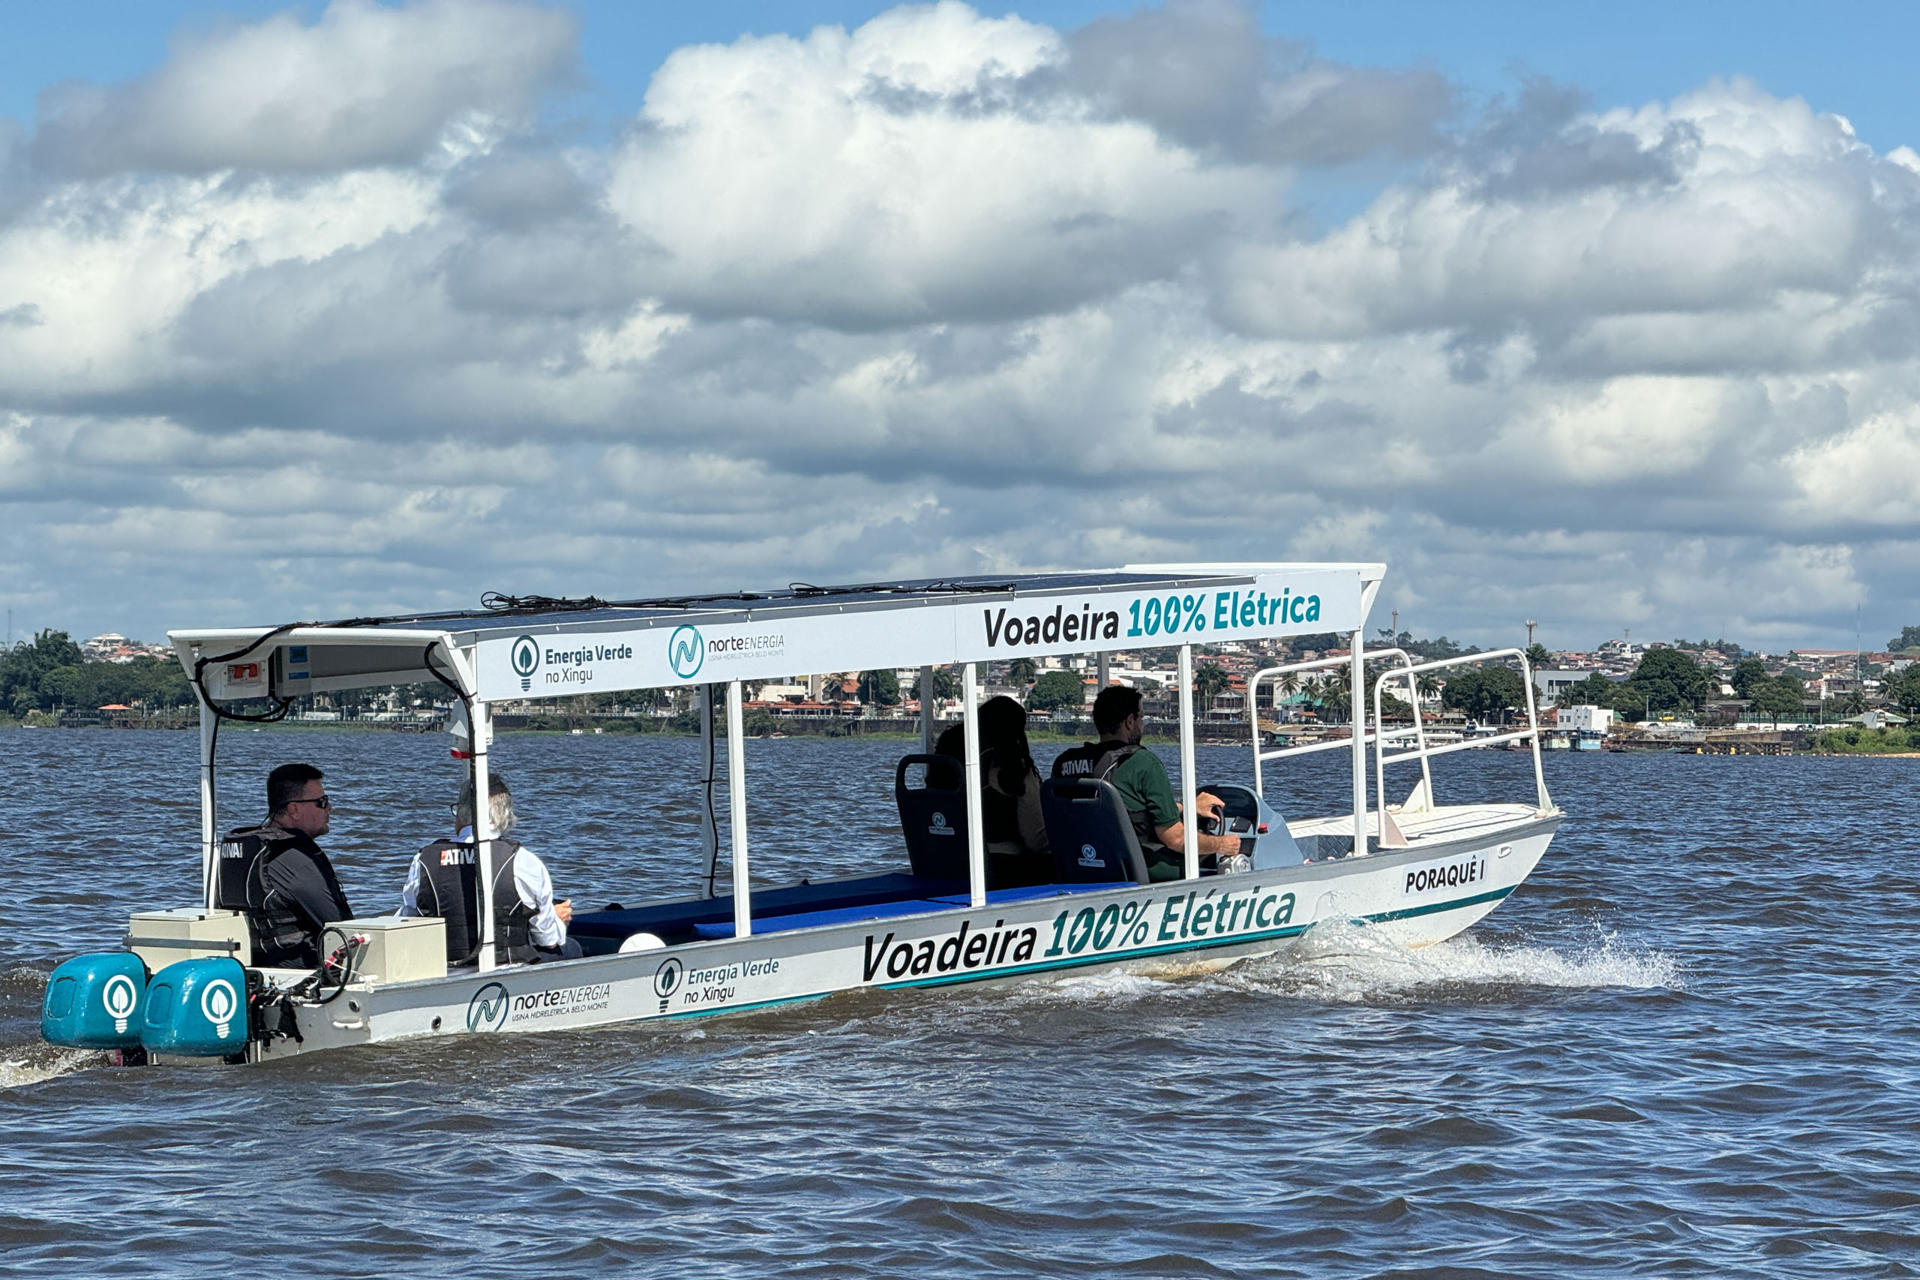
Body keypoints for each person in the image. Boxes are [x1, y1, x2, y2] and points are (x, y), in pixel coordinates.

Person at [1051, 685, 1243, 882]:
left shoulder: (1064, 763)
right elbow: (1175, 838)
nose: (1142, 724)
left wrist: (1187, 808)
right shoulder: (1142, 763)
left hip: (1082, 865)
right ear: (1130, 721)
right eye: (1141, 717)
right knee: (1209, 854)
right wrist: (1221, 844)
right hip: (1133, 868)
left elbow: (1129, 812)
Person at [400, 773, 580, 965]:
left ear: (461, 813)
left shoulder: (424, 861)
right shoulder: (523, 861)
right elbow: (548, 939)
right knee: (572, 947)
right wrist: (557, 920)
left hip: (445, 969)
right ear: (505, 816)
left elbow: (407, 920)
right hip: (506, 970)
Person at [215, 763, 354, 969]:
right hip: (299, 975)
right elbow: (339, 926)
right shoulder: (293, 859)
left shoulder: (246, 851)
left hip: (250, 970)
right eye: (322, 802)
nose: (330, 807)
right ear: (294, 809)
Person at [933, 696, 1051, 887]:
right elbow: (1035, 838)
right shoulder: (1009, 768)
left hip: (950, 860)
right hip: (1003, 865)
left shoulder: (945, 767)